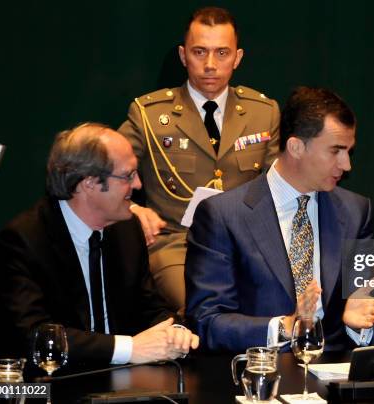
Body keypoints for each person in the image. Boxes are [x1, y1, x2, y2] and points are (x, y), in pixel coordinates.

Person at [185, 87, 374, 352]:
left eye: (349, 151)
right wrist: (285, 328)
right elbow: (207, 321)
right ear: (296, 147)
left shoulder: (356, 211)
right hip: (258, 375)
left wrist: (360, 324)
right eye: (335, 151)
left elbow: (371, 311)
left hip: (332, 376)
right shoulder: (222, 215)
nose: (347, 164)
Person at [0, 123, 199, 365]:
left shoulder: (126, 229)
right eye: (128, 175)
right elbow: (35, 335)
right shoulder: (23, 240)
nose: (138, 184)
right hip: (40, 385)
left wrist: (174, 331)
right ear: (89, 183)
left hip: (119, 380)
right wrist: (130, 349)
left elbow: (148, 305)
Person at [118, 7, 280, 312]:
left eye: (221, 53)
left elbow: (278, 186)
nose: (210, 65)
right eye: (199, 52)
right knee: (203, 306)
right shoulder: (149, 114)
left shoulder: (264, 112)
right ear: (183, 56)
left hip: (245, 245)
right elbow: (106, 168)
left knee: (275, 304)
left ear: (238, 57)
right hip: (178, 244)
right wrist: (132, 209)